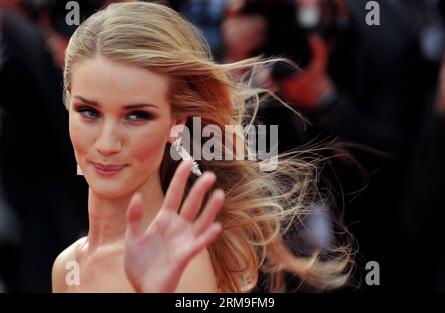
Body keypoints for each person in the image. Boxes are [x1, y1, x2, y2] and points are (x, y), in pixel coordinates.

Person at [51, 2, 352, 293]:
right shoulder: (67, 265)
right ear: (68, 104)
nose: (106, 144)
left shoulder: (184, 264)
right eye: (89, 112)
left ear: (177, 123)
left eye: (137, 116)